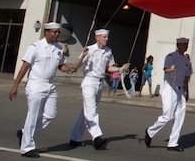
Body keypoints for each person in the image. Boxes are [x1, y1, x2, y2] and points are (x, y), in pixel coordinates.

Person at [10, 22, 79, 158]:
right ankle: (27, 148)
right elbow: (25, 66)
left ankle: (25, 133)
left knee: (50, 114)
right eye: (54, 32)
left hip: (50, 85)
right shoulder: (35, 47)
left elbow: (61, 65)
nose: (56, 34)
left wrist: (70, 69)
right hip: (36, 84)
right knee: (33, 116)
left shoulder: (58, 48)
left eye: (58, 32)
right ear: (46, 32)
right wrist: (15, 85)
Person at [68, 28, 120, 150]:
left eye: (107, 37)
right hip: (89, 82)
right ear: (97, 38)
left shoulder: (108, 51)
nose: (106, 39)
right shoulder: (89, 50)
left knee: (85, 112)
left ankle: (75, 138)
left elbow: (109, 68)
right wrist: (83, 56)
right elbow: (76, 66)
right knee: (91, 111)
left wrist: (120, 69)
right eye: (104, 37)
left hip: (99, 84)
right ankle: (97, 137)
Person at [143, 37, 192, 151]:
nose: (186, 47)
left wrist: (187, 91)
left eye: (187, 45)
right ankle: (150, 131)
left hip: (180, 90)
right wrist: (171, 69)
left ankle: (173, 143)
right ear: (178, 45)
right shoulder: (171, 57)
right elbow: (166, 69)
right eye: (184, 45)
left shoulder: (186, 60)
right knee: (168, 115)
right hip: (170, 88)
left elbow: (186, 77)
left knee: (180, 116)